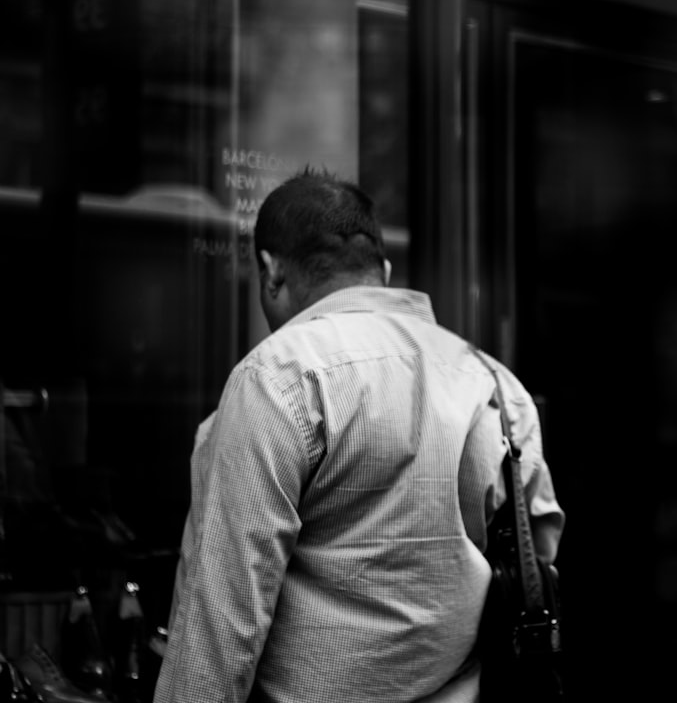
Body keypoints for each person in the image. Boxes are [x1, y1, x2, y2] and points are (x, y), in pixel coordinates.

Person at [152, 169, 565, 703]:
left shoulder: (277, 378)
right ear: (385, 272)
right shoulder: (493, 383)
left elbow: (221, 622)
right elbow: (538, 551)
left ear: (270, 271)